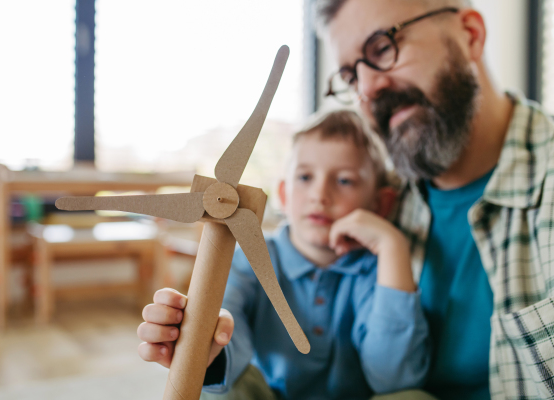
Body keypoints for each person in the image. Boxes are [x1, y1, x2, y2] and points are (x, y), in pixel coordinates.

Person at [317, 0, 554, 399]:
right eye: (350, 75)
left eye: (382, 48)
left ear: (470, 36)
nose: (369, 88)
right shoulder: (373, 203)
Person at [137, 110, 433, 399]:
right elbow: (226, 331)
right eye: (305, 177)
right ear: (283, 194)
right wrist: (205, 347)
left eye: (344, 181)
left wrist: (392, 246)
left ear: (381, 204)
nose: (320, 194)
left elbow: (395, 380)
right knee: (227, 388)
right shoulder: (249, 260)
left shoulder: (378, 272)